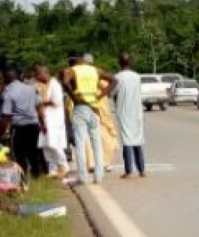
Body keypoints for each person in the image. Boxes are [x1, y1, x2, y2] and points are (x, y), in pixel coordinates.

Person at [64, 52, 116, 185]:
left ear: (74, 60)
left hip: (81, 108)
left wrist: (74, 98)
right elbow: (114, 81)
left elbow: (65, 82)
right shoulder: (95, 70)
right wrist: (99, 96)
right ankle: (99, 176)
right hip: (94, 108)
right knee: (96, 142)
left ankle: (83, 177)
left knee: (80, 143)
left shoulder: (72, 70)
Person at [0, 67, 45, 178]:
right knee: (33, 152)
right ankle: (36, 175)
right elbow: (39, 106)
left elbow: (6, 115)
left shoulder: (8, 93)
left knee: (19, 154)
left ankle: (22, 177)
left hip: (19, 127)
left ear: (5, 78)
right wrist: (42, 123)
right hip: (34, 125)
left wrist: (1, 133)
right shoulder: (31, 88)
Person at [110, 53, 146, 177]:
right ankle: (142, 169)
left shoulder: (117, 77)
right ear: (130, 62)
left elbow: (112, 93)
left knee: (127, 140)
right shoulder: (137, 77)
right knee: (137, 139)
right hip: (137, 111)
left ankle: (128, 170)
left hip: (124, 112)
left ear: (119, 63)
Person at [33, 63, 69, 178]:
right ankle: (52, 169)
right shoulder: (43, 85)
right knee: (46, 145)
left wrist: (41, 102)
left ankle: (64, 166)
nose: (37, 78)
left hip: (54, 119)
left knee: (54, 144)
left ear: (43, 73)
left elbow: (56, 101)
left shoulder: (55, 85)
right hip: (45, 119)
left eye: (37, 75)